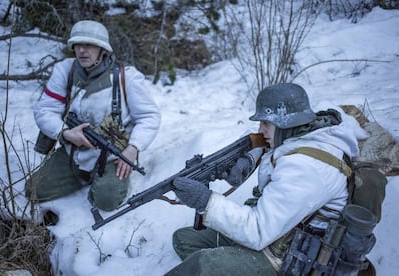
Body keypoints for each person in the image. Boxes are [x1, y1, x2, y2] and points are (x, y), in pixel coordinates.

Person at [166, 83, 360, 275]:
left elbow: (257, 231)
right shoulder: (308, 135)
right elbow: (268, 142)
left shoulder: (306, 168)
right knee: (185, 239)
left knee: (205, 263)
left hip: (286, 257)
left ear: (287, 123)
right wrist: (248, 157)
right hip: (277, 234)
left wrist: (205, 201)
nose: (260, 130)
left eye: (265, 123)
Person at [25, 20, 161, 212]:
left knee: (106, 199)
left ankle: (100, 181)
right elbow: (45, 110)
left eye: (89, 45)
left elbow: (149, 116)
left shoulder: (127, 76)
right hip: (73, 151)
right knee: (33, 191)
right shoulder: (65, 70)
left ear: (102, 50)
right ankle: (82, 176)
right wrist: (64, 133)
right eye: (78, 45)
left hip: (114, 156)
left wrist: (133, 148)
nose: (82, 50)